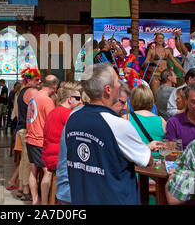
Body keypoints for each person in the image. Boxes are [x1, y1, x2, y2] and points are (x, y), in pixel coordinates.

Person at [65, 63, 164, 205]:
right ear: (108, 89)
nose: (120, 84)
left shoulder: (73, 118)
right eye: (117, 80)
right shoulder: (118, 124)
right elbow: (146, 160)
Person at [42, 82, 81, 204]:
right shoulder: (68, 115)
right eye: (78, 99)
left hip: (47, 156)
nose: (80, 102)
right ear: (70, 100)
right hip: (58, 159)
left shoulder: (53, 111)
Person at [25, 75, 59, 205]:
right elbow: (52, 122)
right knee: (48, 172)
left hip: (30, 137)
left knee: (33, 170)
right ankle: (45, 203)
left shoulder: (34, 96)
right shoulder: (47, 100)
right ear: (55, 86)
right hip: (40, 139)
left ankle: (35, 200)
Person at [16, 67, 41, 201]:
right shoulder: (31, 91)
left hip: (22, 128)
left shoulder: (22, 91)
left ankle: (21, 187)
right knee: (27, 160)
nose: (39, 82)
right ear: (29, 80)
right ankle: (26, 188)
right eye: (37, 79)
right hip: (27, 129)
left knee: (24, 159)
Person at [125, 85, 166, 157]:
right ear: (151, 100)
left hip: (135, 163)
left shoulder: (126, 119)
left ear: (132, 100)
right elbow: (166, 147)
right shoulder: (162, 121)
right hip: (156, 165)